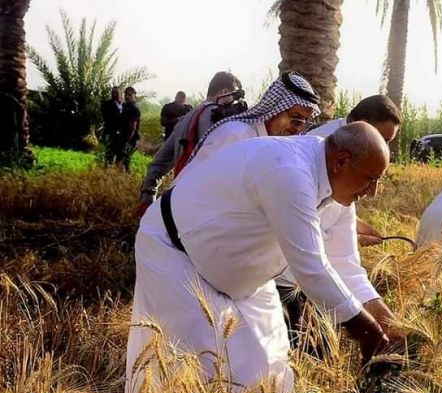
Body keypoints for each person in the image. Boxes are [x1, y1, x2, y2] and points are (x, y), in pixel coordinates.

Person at [126, 123, 391, 393]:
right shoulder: (290, 172)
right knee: (189, 366)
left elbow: (341, 262)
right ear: (342, 161)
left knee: (268, 362)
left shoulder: (335, 186)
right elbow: (312, 269)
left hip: (245, 272)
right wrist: (366, 332)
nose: (372, 192)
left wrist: (381, 315)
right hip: (175, 253)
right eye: (371, 179)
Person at [276, 95, 404, 352]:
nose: (384, 147)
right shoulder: (308, 162)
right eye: (382, 139)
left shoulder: (346, 170)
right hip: (277, 280)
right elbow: (312, 263)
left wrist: (385, 321)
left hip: (303, 282)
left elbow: (344, 261)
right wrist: (367, 330)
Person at [137, 71, 242, 211]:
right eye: (233, 96)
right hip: (209, 203)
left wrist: (148, 199)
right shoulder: (219, 116)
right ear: (224, 91)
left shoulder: (185, 119)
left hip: (181, 199)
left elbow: (158, 163)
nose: (234, 103)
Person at [186, 71, 321, 165]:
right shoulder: (236, 136)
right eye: (296, 117)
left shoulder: (276, 146)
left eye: (305, 121)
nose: (299, 128)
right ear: (274, 108)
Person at [111, 86, 141, 172]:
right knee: (120, 161)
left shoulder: (134, 109)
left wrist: (126, 141)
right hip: (122, 138)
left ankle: (126, 180)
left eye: (129, 95)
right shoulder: (125, 106)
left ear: (134, 95)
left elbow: (132, 127)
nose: (127, 96)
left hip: (129, 139)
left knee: (124, 162)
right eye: (126, 94)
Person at [101, 86, 122, 165]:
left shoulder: (124, 105)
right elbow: (107, 118)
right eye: (113, 93)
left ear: (121, 93)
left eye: (117, 93)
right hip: (110, 132)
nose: (115, 94)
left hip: (120, 134)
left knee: (119, 155)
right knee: (109, 153)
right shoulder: (107, 104)